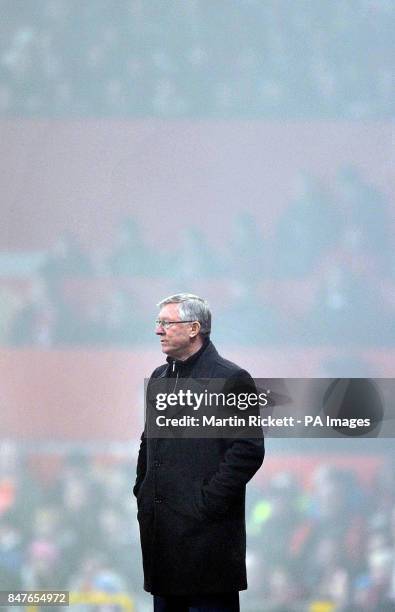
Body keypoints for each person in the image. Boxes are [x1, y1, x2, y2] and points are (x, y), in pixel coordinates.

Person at [133, 293, 265, 612]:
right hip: (163, 541)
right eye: (158, 323)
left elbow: (248, 449)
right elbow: (148, 440)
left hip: (207, 544)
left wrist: (205, 503)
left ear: (194, 328)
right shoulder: (159, 378)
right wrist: (142, 490)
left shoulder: (231, 379)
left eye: (166, 322)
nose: (158, 330)